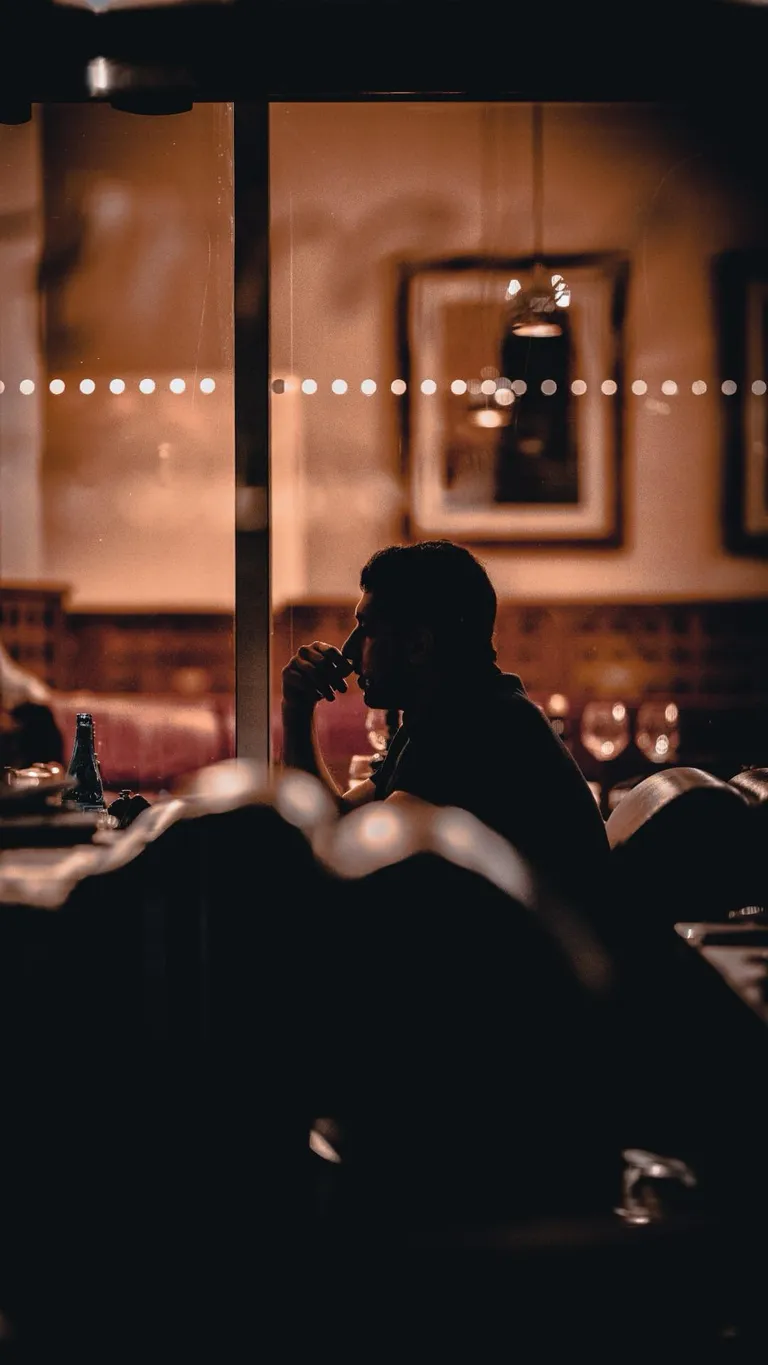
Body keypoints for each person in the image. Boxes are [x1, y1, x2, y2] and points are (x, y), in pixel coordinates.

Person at [281, 539, 610, 915]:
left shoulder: (474, 723)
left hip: (546, 971)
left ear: (419, 646)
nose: (351, 652)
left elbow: (341, 863)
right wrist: (297, 709)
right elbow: (337, 823)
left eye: (367, 630)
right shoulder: (454, 708)